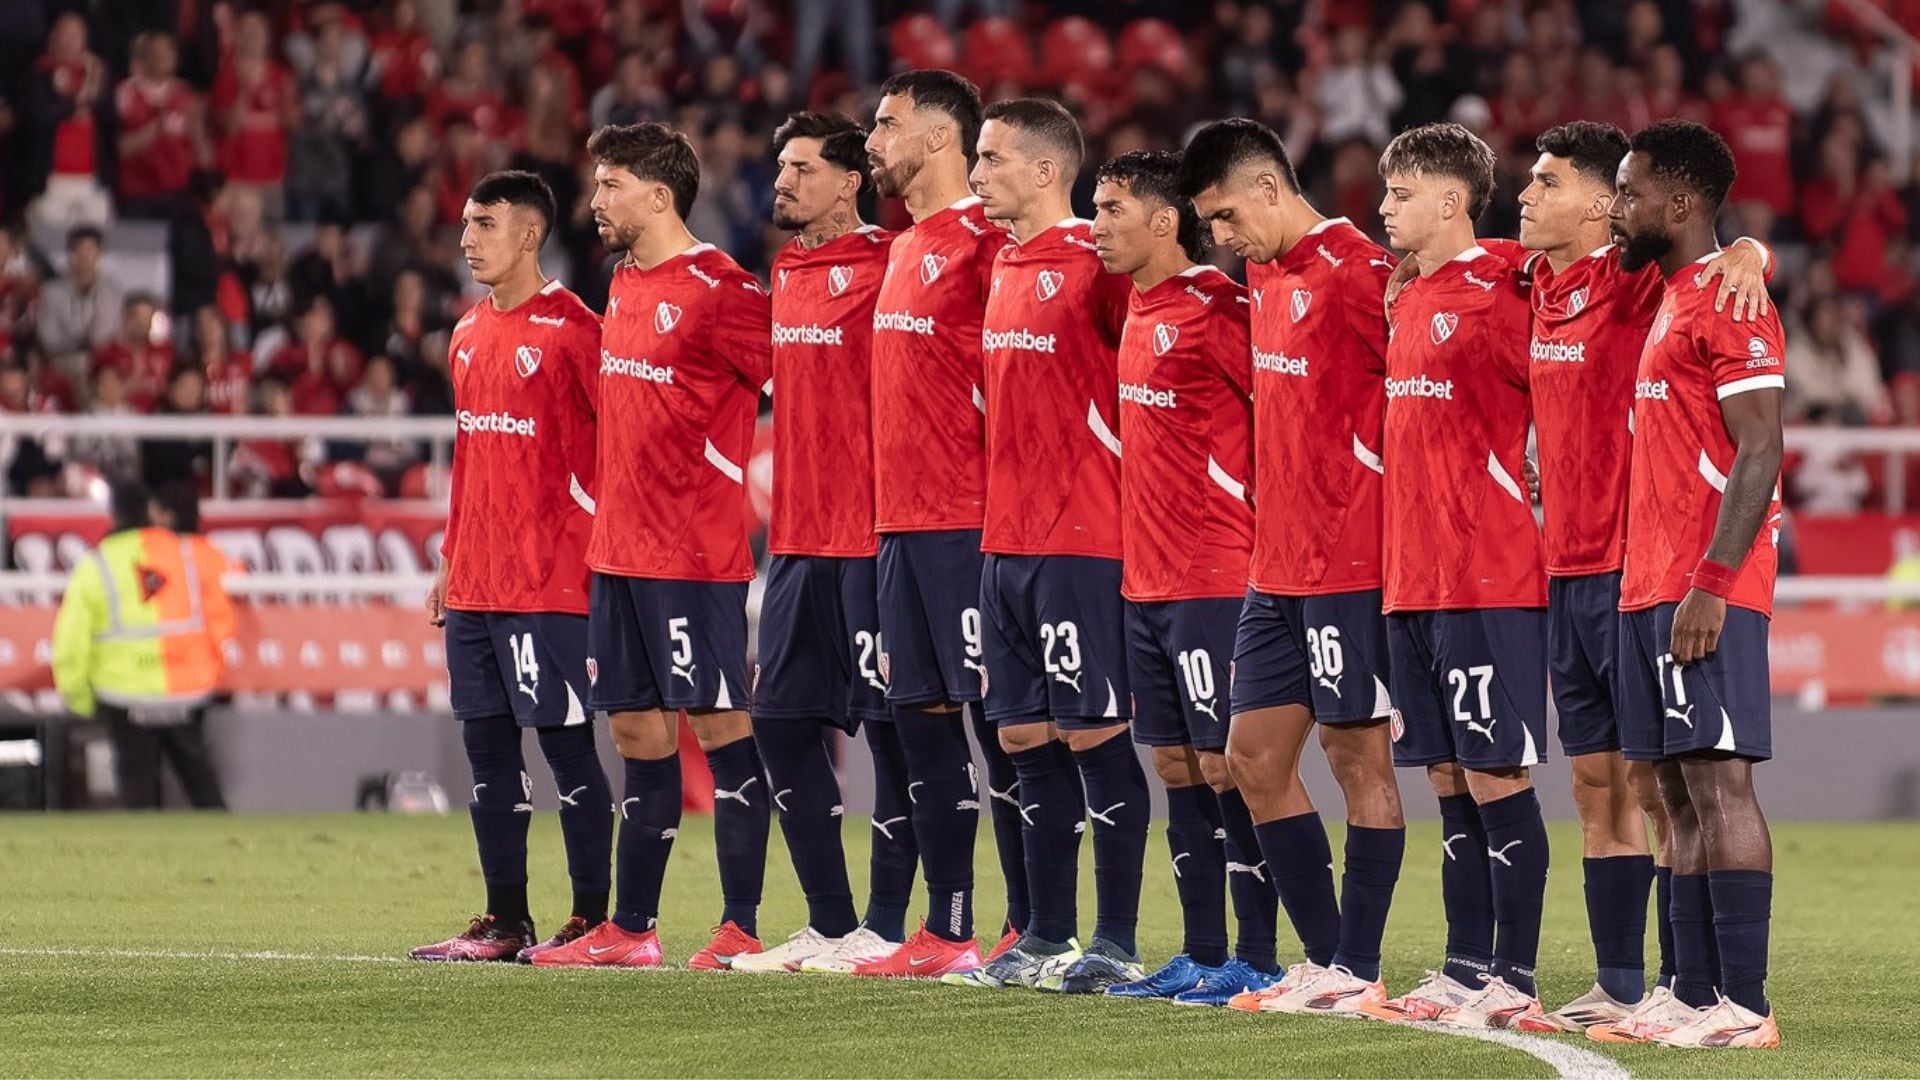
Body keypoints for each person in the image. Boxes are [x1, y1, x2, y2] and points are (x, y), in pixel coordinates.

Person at [1510, 121, 1769, 1033]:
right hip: (1606, 576)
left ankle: (1734, 999)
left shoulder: (1652, 285)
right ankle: (1669, 988)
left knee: (1695, 786)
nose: (1526, 197)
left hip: (1671, 570)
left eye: (1550, 183)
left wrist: (1750, 247)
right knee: (1652, 786)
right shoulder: (1543, 280)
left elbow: (1760, 443)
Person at [1178, 118, 1408, 1016]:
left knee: (1357, 759)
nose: (1219, 237)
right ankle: (1323, 960)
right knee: (1251, 759)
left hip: (1351, 560)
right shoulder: (1265, 274)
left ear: (1270, 188)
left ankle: (1359, 966)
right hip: (1273, 565)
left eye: (1227, 215)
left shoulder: (1362, 273)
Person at [533, 123, 773, 970]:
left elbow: (796, 384)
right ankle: (632, 930)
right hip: (619, 552)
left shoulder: (724, 288)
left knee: (721, 726)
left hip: (693, 554)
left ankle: (740, 927)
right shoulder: (623, 279)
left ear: (660, 195)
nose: (595, 201)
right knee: (637, 734)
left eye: (612, 185)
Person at [1360, 122, 1554, 1030]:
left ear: (1451, 200)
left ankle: (1515, 976)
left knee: (1496, 779)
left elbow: (1611, 274)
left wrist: (1749, 250)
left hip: (1488, 575)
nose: (1384, 207)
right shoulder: (1404, 295)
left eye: (1401, 194)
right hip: (1411, 580)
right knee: (1446, 781)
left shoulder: (1514, 279)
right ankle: (1464, 969)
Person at [1601, 119, 1785, 1050]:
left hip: (1705, 584)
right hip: (1650, 584)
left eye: (1628, 192)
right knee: (1673, 792)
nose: (1616, 207)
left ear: (1677, 203)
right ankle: (1689, 991)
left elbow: (1762, 447)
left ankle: (1743, 1007)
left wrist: (1712, 581)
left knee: (1719, 785)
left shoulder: (1730, 298)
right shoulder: (1670, 294)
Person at [960, 98, 1149, 992]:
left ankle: (1116, 939)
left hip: (1082, 538)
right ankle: (1045, 935)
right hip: (1005, 542)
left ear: (1045, 171)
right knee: (1025, 738)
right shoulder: (1004, 263)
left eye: (993, 158)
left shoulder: (1097, 262)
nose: (977, 174)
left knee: (1095, 735)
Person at [409, 170, 613, 964]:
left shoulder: (576, 330)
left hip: (548, 582)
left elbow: (619, 448)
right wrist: (448, 558)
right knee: (488, 754)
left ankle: (593, 920)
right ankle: (505, 920)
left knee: (567, 750)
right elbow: (469, 461)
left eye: (484, 224)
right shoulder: (465, 334)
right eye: (465, 224)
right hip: (477, 584)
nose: (467, 240)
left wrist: (595, 547)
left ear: (530, 235)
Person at [1091, 150, 1280, 1006]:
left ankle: (1257, 954)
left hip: (1214, 572)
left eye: (1112, 211)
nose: (1097, 228)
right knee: (1174, 763)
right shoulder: (1134, 307)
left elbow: (1286, 413)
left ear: (1164, 222)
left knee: (1225, 764)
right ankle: (1202, 952)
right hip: (1146, 580)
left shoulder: (1218, 308)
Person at [731, 110, 915, 975]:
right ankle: (832, 923)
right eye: (781, 167)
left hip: (873, 539)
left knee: (892, 734)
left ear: (849, 182)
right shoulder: (788, 270)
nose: (783, 181)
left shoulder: (892, 263)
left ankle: (890, 926)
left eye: (802, 168)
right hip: (798, 541)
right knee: (778, 724)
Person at [850, 70, 1018, 979]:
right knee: (918, 720)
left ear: (941, 137)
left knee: (1002, 723)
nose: (872, 140)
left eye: (888, 124)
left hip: (968, 523)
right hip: (899, 525)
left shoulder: (990, 243)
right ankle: (948, 929)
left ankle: (1034, 925)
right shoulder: (905, 245)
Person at [50, 480, 233, 810]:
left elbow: (70, 640)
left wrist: (79, 697)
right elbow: (222, 616)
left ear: (113, 514)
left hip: (124, 693)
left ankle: (143, 839)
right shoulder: (190, 553)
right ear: (150, 511)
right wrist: (214, 672)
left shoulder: (97, 565)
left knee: (138, 791)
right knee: (202, 786)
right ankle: (228, 839)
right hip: (187, 688)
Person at [36, 225, 123, 395]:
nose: (84, 256)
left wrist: (84, 345)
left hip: (99, 367)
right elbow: (48, 338)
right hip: (61, 363)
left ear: (99, 253)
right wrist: (80, 343)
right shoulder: (51, 292)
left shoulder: (111, 293)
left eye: (90, 250)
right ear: (70, 253)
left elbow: (106, 336)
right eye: (78, 250)